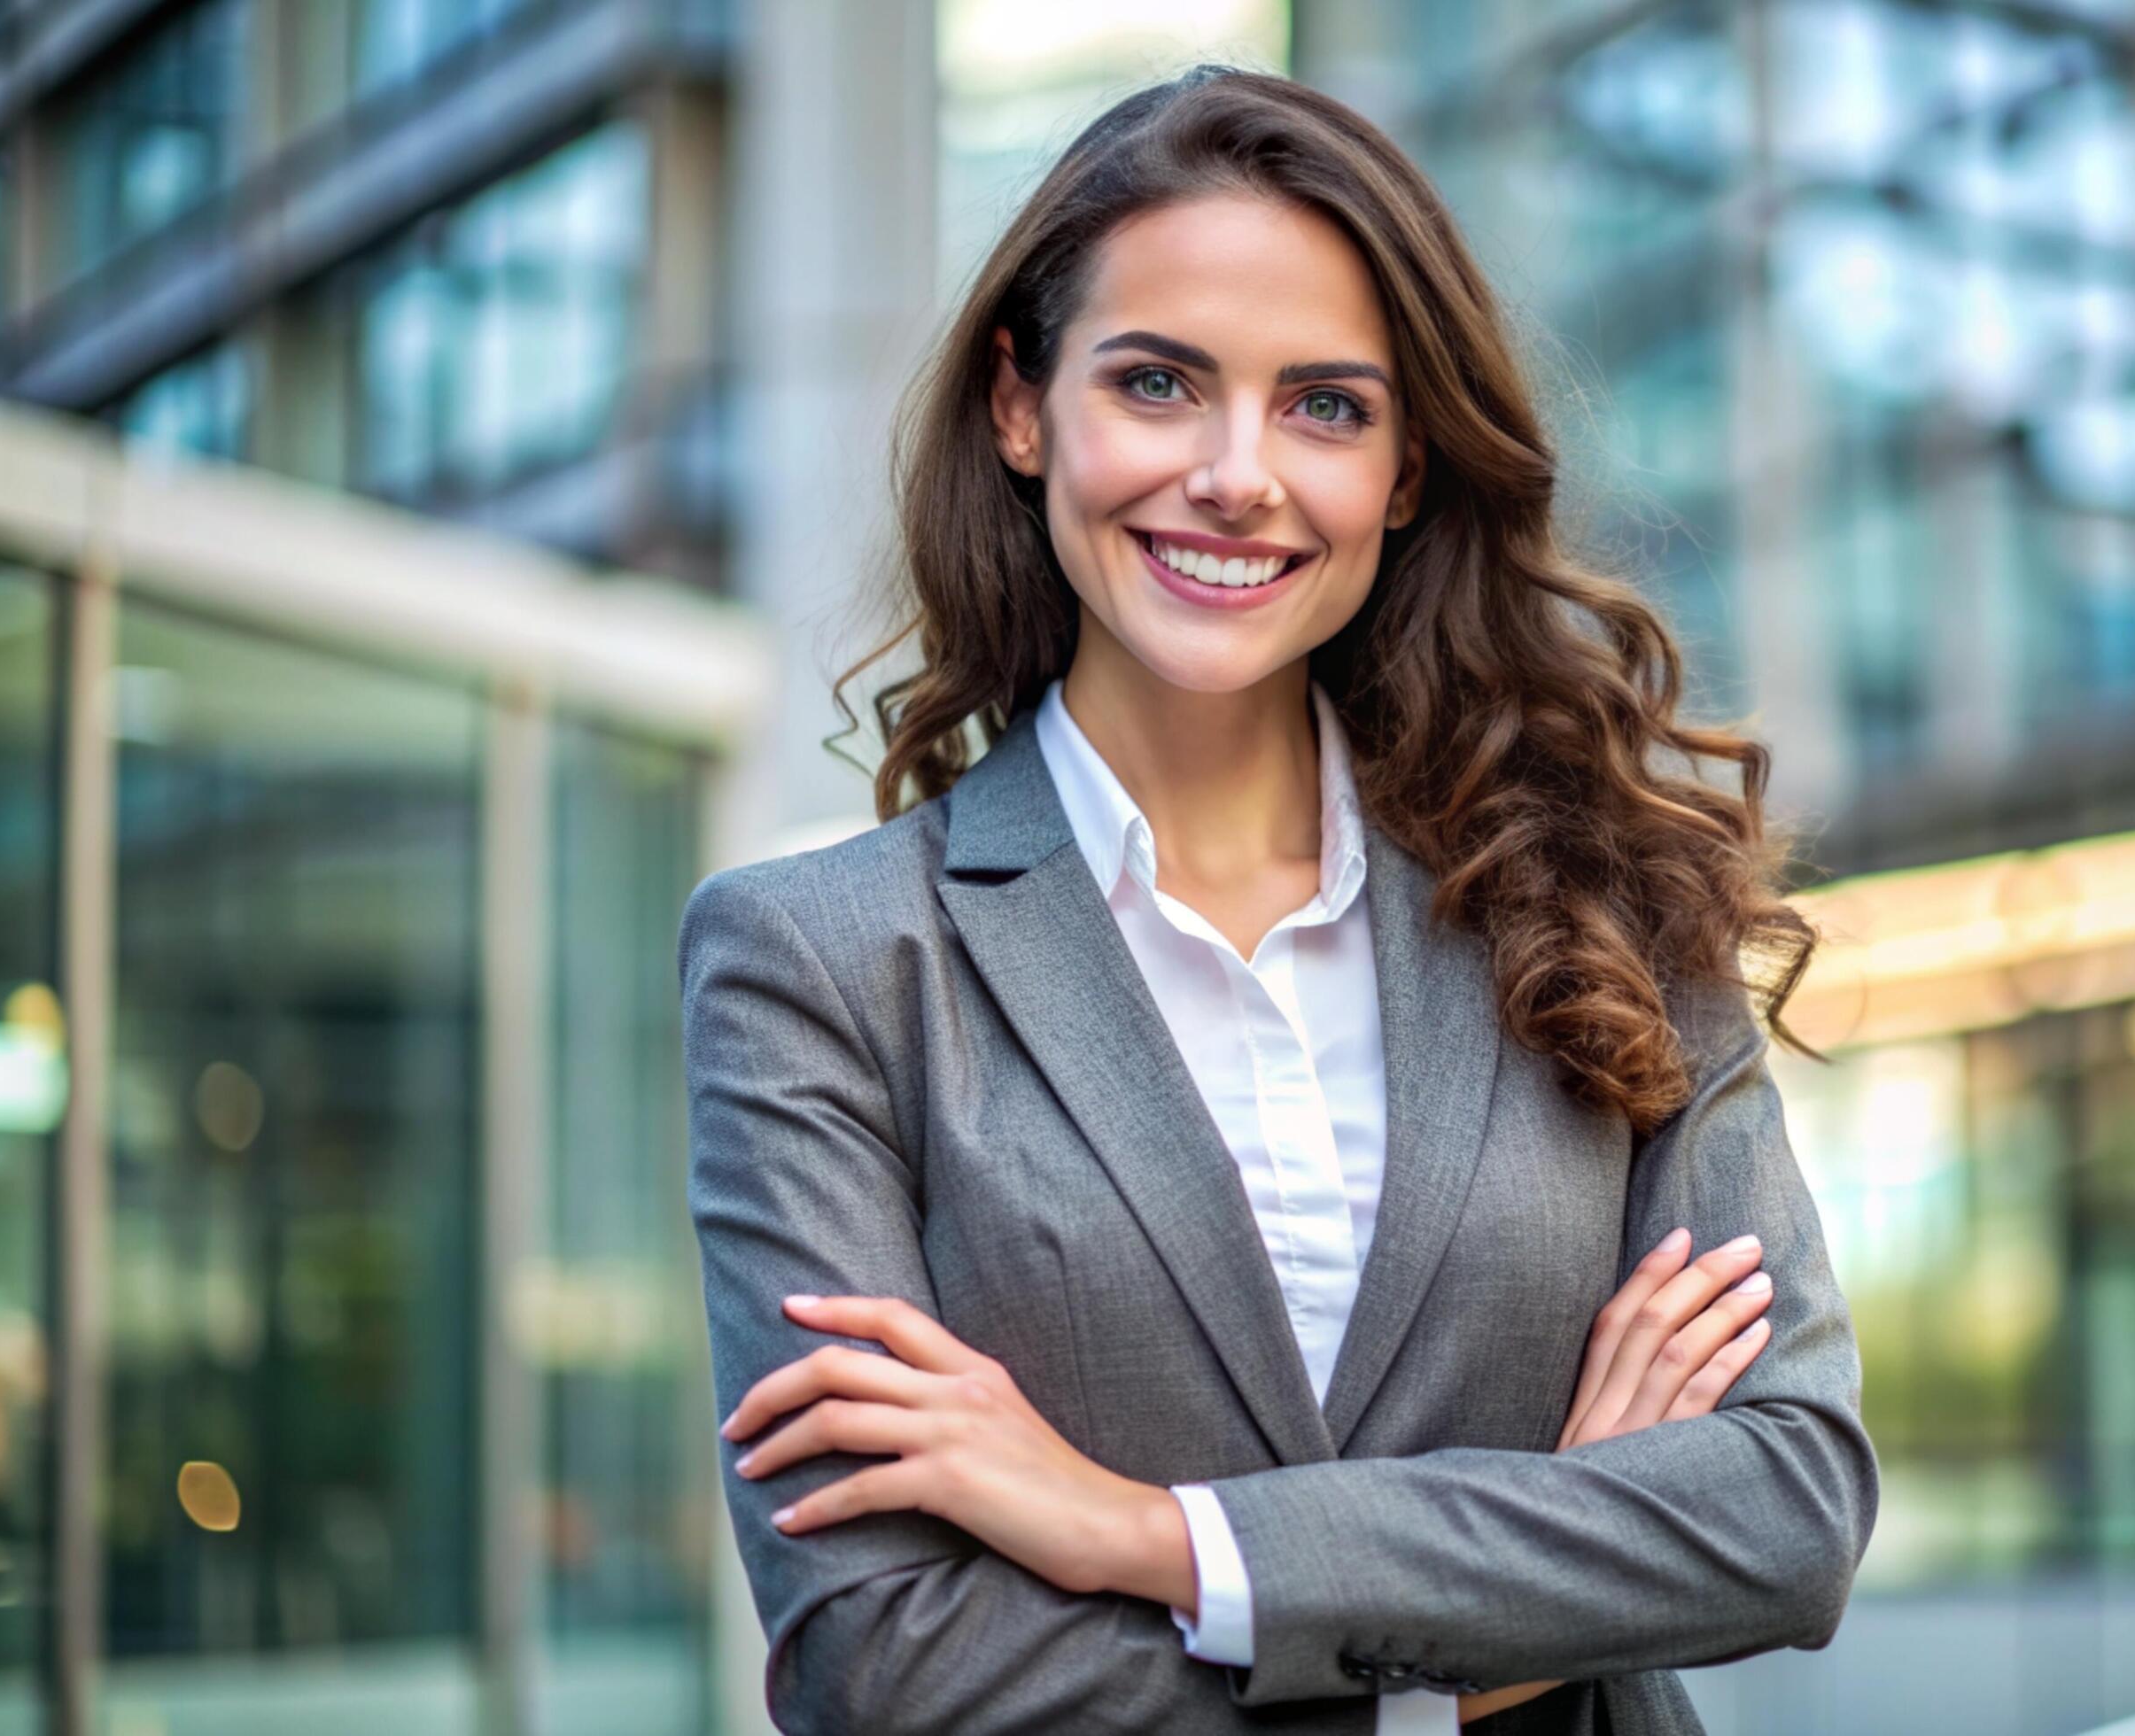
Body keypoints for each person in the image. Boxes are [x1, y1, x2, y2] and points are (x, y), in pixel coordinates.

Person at [680, 63, 1875, 1735]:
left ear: (1403, 471)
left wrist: (1152, 1537)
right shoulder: (821, 966)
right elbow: (886, 1667)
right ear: (1023, 410)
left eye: (1326, 405)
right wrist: (1511, 1628)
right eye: (1159, 383)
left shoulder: (1605, 890)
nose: (1239, 474)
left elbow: (1785, 1510)